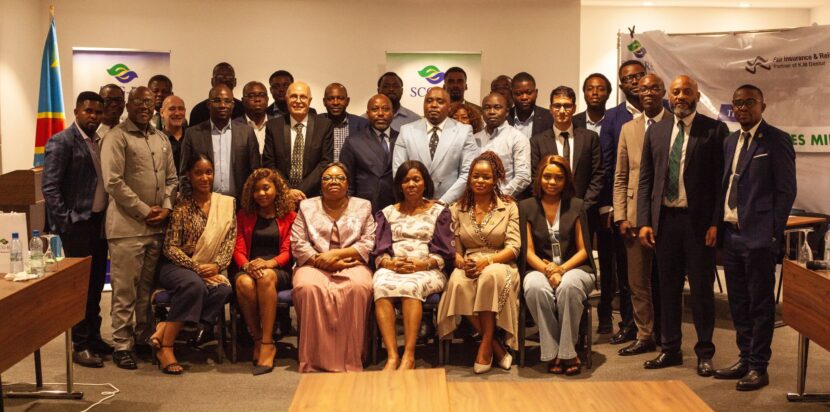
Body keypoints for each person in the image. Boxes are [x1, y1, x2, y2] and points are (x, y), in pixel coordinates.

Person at [638, 75, 728, 376]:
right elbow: (646, 180)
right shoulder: (657, 131)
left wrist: (716, 223)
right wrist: (645, 222)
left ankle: (705, 353)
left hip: (698, 224)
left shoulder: (714, 130)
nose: (680, 97)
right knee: (667, 289)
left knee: (701, 291)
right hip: (665, 222)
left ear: (697, 96)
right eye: (676, 92)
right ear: (669, 95)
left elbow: (721, 183)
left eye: (686, 92)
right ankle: (670, 349)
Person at [713, 84, 796, 391]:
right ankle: (744, 359)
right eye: (737, 103)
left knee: (761, 305)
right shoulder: (730, 140)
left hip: (759, 237)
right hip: (732, 235)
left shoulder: (776, 139)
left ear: (763, 105)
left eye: (749, 102)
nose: (743, 108)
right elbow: (725, 185)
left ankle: (759, 367)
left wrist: (772, 233)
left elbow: (786, 191)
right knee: (738, 303)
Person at [101, 86, 178, 369]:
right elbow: (113, 182)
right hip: (127, 228)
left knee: (146, 290)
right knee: (125, 291)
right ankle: (122, 344)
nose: (144, 106)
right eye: (138, 102)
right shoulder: (116, 137)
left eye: (148, 102)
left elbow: (172, 179)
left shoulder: (161, 138)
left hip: (156, 228)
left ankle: (143, 337)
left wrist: (166, 208)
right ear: (128, 105)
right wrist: (146, 210)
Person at [42, 91, 112, 368]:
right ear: (76, 112)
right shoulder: (62, 141)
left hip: (98, 223)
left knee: (96, 284)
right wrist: (66, 222)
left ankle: (94, 337)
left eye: (98, 112)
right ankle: (80, 345)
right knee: (79, 288)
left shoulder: (99, 141)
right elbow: (49, 187)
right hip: (77, 226)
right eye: (88, 111)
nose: (94, 116)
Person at [150, 154, 236, 375]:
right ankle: (166, 348)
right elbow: (170, 247)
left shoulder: (226, 204)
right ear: (189, 175)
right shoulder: (181, 206)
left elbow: (229, 242)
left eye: (209, 172)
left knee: (224, 289)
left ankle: (167, 327)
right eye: (198, 173)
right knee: (194, 285)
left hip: (209, 267)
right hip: (177, 267)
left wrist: (216, 266)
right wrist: (196, 268)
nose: (205, 178)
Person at [437, 151, 520, 374]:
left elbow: (513, 248)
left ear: (495, 180)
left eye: (486, 177)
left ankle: (485, 346)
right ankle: (496, 347)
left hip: (500, 262)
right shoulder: (457, 208)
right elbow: (456, 249)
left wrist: (487, 261)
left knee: (489, 277)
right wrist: (461, 262)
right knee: (457, 283)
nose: (480, 181)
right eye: (475, 176)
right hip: (469, 263)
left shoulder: (509, 206)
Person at [290, 162, 376, 372]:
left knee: (359, 287)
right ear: (321, 185)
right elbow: (298, 242)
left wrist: (335, 256)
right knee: (307, 287)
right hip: (313, 263)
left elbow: (368, 242)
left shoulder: (363, 206)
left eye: (339, 178)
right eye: (327, 178)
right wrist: (320, 260)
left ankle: (351, 357)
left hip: (351, 262)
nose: (333, 181)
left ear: (347, 183)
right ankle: (314, 358)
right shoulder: (307, 206)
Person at [371, 161, 455, 370]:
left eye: (416, 179)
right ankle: (392, 355)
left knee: (411, 287)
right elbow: (380, 248)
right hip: (393, 266)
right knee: (380, 285)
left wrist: (422, 264)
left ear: (425, 183)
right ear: (399, 185)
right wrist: (390, 263)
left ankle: (409, 355)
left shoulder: (439, 212)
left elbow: (445, 251)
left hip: (428, 268)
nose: (411, 184)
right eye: (406, 180)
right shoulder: (387, 212)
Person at [522, 154, 595, 376]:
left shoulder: (577, 205)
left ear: (566, 180)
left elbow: (584, 250)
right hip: (538, 268)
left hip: (575, 268)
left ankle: (568, 352)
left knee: (569, 286)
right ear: (539, 178)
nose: (552, 182)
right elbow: (527, 251)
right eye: (547, 177)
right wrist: (548, 271)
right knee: (535, 287)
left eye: (558, 178)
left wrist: (561, 270)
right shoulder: (525, 206)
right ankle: (552, 350)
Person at [612, 74, 667, 357]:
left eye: (654, 88)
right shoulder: (628, 129)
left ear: (663, 91)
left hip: (668, 215)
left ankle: (668, 335)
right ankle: (644, 334)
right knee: (637, 282)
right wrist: (621, 215)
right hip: (634, 216)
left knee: (667, 280)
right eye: (643, 89)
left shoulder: (675, 124)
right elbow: (621, 176)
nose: (647, 93)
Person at [596, 60, 650, 339]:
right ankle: (629, 324)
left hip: (657, 206)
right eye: (628, 78)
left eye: (639, 75)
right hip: (626, 207)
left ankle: (656, 327)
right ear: (621, 85)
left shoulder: (663, 112)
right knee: (628, 270)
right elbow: (608, 166)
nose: (635, 81)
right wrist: (612, 207)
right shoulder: (612, 118)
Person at [233, 168, 297, 375]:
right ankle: (258, 339)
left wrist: (269, 264)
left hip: (278, 269)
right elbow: (238, 248)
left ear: (277, 189)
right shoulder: (244, 215)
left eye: (266, 188)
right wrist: (246, 266)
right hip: (250, 267)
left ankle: (268, 343)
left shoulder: (290, 216)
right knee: (243, 282)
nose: (261, 193)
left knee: (265, 277)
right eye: (256, 190)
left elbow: (289, 250)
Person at [393, 87, 480, 205]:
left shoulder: (464, 131)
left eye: (440, 101)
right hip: (414, 205)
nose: (434, 105)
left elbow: (468, 172)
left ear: (449, 107)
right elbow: (399, 172)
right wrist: (417, 201)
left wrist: (443, 202)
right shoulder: (406, 131)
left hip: (451, 205)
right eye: (429, 101)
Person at [180, 84, 261, 201]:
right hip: (204, 203)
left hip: (239, 204)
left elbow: (255, 171)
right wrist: (189, 202)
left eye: (227, 101)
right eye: (217, 101)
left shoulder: (246, 133)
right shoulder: (192, 134)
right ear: (208, 104)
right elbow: (184, 174)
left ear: (233, 105)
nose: (223, 105)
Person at [529, 86, 603, 212]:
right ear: (551, 109)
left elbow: (598, 175)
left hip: (585, 210)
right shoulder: (537, 142)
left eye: (567, 106)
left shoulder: (590, 138)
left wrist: (583, 207)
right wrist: (549, 205)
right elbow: (534, 178)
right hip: (549, 210)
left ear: (574, 108)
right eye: (557, 106)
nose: (562, 111)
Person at [263, 81, 334, 202]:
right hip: (282, 195)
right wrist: (288, 190)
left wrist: (299, 191)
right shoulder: (273, 126)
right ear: (287, 99)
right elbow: (269, 163)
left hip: (313, 196)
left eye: (303, 97)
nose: (298, 101)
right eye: (293, 96)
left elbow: (325, 162)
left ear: (310, 101)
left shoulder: (324, 125)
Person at [340, 94, 398, 213]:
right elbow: (347, 183)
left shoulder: (402, 138)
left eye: (386, 109)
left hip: (397, 207)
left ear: (393, 113)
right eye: (375, 109)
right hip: (363, 208)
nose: (380, 113)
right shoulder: (353, 141)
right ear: (367, 114)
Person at [474, 93, 531, 198]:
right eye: (487, 108)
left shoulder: (518, 138)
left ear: (507, 112)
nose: (491, 112)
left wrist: (498, 198)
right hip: (475, 201)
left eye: (497, 107)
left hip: (504, 202)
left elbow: (523, 177)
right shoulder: (474, 139)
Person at [322, 83, 368, 161]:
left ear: (347, 101)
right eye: (330, 98)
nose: (335, 102)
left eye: (340, 98)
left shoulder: (363, 125)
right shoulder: (316, 123)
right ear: (324, 101)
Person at [507, 72, 553, 139]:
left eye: (529, 93)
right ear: (512, 95)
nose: (524, 97)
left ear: (536, 93)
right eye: (518, 93)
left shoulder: (549, 117)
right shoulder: (504, 118)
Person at [235, 81, 274, 157]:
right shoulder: (234, 126)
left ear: (267, 99)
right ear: (243, 101)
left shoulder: (277, 124)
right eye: (251, 96)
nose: (257, 99)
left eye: (262, 95)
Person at [160, 95, 187, 171]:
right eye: (172, 109)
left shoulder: (194, 137)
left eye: (181, 109)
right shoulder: (156, 140)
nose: (177, 113)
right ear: (162, 112)